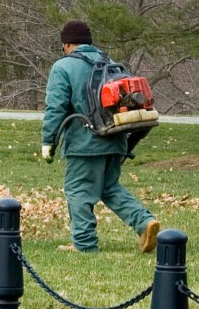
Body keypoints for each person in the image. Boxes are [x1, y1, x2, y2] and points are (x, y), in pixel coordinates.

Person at [41, 20, 159, 253]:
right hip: (116, 137)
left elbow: (56, 107)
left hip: (85, 141)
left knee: (78, 190)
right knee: (109, 187)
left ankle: (84, 244)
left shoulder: (63, 67)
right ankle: (145, 223)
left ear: (66, 44)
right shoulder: (111, 63)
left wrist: (48, 141)